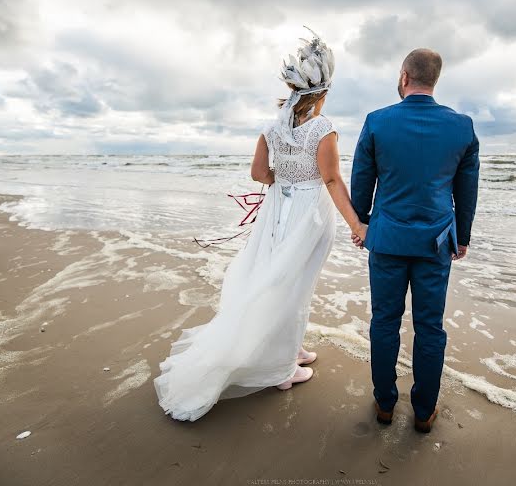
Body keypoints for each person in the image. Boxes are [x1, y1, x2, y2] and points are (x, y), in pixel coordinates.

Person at [153, 28, 367, 421]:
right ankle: (282, 369)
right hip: (309, 214)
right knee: (296, 283)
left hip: (277, 212)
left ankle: (291, 347)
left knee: (277, 278)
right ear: (322, 93)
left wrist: (282, 180)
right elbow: (333, 180)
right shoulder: (323, 128)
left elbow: (258, 174)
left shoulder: (272, 127)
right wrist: (357, 223)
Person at [350, 48, 480, 433]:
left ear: (404, 76)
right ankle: (423, 410)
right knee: (430, 327)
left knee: (384, 321)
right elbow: (466, 192)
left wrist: (362, 223)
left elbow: (362, 180)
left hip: (388, 238)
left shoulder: (377, 121)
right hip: (436, 243)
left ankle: (385, 404)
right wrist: (464, 238)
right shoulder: (462, 126)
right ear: (433, 80)